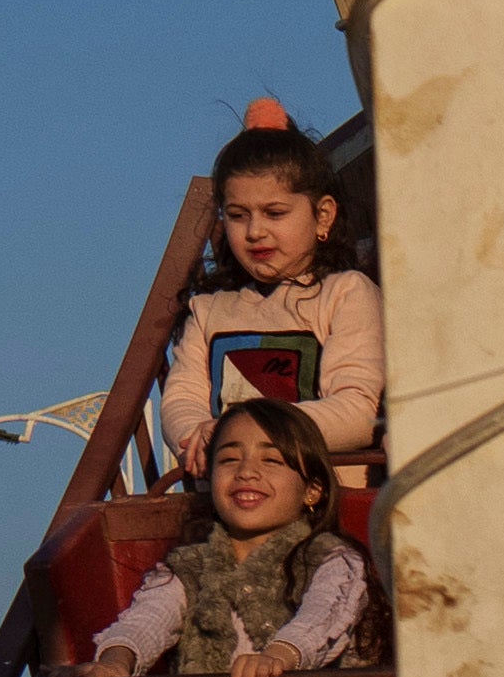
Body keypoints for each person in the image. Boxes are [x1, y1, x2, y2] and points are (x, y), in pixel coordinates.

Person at [78, 394, 375, 677]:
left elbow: (324, 616)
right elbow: (147, 619)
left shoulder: (332, 560)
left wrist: (279, 656)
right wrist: (117, 660)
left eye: (271, 460)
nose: (247, 472)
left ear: (312, 490)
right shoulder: (189, 568)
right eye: (230, 459)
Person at [125, 109, 381, 491]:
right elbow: (181, 400)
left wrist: (252, 434)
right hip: (227, 503)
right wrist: (197, 433)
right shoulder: (207, 310)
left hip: (327, 502)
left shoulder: (346, 294)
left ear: (323, 216)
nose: (255, 231)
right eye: (237, 215)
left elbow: (358, 411)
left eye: (274, 213)